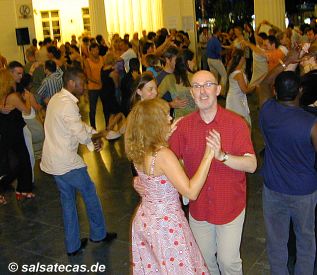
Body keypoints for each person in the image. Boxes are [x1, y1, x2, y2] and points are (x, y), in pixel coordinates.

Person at [169, 70, 257, 274]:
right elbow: (168, 162)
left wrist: (223, 156)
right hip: (199, 208)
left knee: (228, 262)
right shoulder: (183, 126)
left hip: (229, 206)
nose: (202, 91)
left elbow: (251, 164)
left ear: (218, 89)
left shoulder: (236, 124)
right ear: (191, 92)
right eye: (197, 86)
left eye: (207, 85)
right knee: (204, 262)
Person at [125, 98, 213, 274]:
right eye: (166, 115)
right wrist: (208, 155)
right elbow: (191, 191)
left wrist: (165, 135)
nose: (170, 118)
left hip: (145, 221)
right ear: (154, 123)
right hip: (167, 225)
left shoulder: (139, 148)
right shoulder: (163, 155)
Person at [40, 67, 117, 256]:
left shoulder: (57, 99)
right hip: (66, 162)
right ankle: (98, 234)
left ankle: (72, 246)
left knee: (67, 201)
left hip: (54, 161)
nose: (85, 87)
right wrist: (100, 134)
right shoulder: (67, 104)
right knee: (90, 193)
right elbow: (82, 136)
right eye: (82, 83)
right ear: (71, 83)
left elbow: (78, 126)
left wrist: (93, 136)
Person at [258, 53, 317, 275]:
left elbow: (263, 82)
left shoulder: (266, 111)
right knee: (305, 240)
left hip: (273, 189)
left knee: (276, 242)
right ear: (300, 92)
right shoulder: (311, 123)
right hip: (304, 192)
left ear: (276, 91)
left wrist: (286, 61)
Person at [226, 49, 255, 126]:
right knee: (243, 123)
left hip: (232, 98)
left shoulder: (232, 67)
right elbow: (245, 90)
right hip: (236, 100)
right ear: (241, 58)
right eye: (244, 58)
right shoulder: (239, 73)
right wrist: (254, 87)